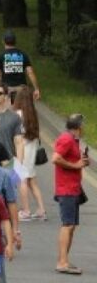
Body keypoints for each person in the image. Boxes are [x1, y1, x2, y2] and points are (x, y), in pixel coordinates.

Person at [52, 113, 88, 275]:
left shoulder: (72, 140)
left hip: (73, 188)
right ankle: (62, 262)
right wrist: (75, 165)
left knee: (71, 226)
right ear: (79, 127)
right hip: (66, 189)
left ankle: (64, 259)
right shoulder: (66, 139)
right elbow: (56, 158)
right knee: (67, 225)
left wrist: (80, 162)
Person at [12, 88, 45, 221]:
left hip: (22, 149)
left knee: (22, 180)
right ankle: (41, 210)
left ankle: (26, 211)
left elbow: (15, 135)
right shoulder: (33, 113)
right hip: (32, 148)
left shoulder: (17, 114)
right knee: (32, 181)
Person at [0, 31, 41, 103]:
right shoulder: (23, 55)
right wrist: (36, 89)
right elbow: (30, 72)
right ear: (15, 41)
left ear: (3, 41)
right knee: (23, 110)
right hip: (22, 89)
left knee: (11, 110)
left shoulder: (1, 56)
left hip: (8, 89)